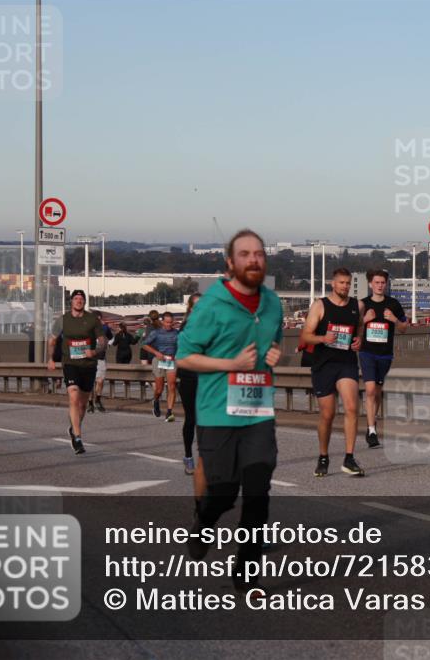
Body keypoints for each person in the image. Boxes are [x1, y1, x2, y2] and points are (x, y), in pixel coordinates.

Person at [176, 229, 282, 593]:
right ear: (230, 263)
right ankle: (204, 522)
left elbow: (275, 341)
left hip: (257, 412)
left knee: (258, 494)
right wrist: (230, 363)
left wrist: (274, 354)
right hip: (217, 412)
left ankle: (247, 572)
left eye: (259, 253)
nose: (254, 260)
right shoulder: (211, 304)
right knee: (223, 493)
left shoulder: (273, 303)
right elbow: (184, 356)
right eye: (245, 254)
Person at [300, 268, 365, 477]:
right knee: (327, 415)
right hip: (324, 365)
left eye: (348, 283)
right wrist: (322, 339)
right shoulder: (320, 306)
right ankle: (323, 456)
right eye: (341, 283)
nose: (345, 286)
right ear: (333, 284)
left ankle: (349, 458)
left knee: (352, 407)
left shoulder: (357, 305)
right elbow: (306, 336)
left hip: (346, 363)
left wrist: (359, 339)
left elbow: (360, 326)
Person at [47, 289, 105, 454]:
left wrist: (94, 352)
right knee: (73, 396)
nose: (78, 301)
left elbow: (103, 341)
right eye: (76, 299)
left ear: (84, 302)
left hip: (88, 365)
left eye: (81, 299)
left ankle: (74, 428)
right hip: (70, 363)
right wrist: (51, 358)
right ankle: (78, 438)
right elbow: (52, 340)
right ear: (71, 302)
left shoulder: (92, 319)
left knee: (83, 404)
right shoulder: (63, 320)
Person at [359, 269, 407, 448]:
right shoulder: (362, 304)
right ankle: (371, 430)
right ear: (370, 284)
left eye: (382, 283)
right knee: (370, 389)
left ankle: (373, 421)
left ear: (386, 284)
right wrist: (365, 320)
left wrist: (394, 319)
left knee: (377, 391)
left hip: (385, 354)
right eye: (376, 282)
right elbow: (353, 327)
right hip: (367, 352)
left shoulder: (393, 304)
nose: (379, 286)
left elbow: (404, 328)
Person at [177, 293, 202, 475]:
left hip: (207, 378)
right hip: (188, 378)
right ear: (191, 309)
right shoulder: (186, 327)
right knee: (192, 419)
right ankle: (188, 456)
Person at [142, 312, 180, 422]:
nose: (169, 324)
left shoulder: (176, 333)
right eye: (167, 322)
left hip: (171, 361)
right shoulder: (156, 333)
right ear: (162, 321)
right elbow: (144, 344)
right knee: (159, 389)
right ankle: (156, 400)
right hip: (159, 360)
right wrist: (156, 352)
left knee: (172, 386)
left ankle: (169, 412)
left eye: (171, 322)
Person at [88, 311, 114, 414]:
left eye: (99, 319)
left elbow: (112, 338)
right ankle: (90, 403)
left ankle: (98, 399)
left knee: (100, 381)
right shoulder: (87, 329)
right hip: (90, 359)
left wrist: (108, 345)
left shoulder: (105, 328)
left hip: (101, 359)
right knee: (90, 383)